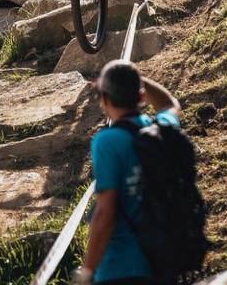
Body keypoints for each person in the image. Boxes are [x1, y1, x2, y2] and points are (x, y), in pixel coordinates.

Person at [73, 60, 181, 285]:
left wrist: (88, 271)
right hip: (163, 259)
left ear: (104, 100)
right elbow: (169, 103)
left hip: (120, 268)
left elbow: (105, 213)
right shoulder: (162, 128)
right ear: (141, 97)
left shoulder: (108, 141)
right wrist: (132, 78)